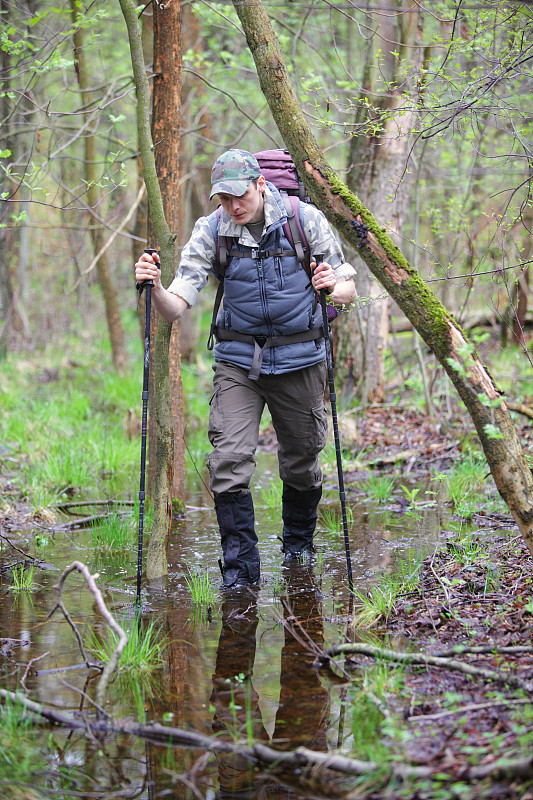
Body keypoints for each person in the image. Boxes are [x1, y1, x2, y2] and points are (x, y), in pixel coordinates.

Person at [135, 149, 356, 590]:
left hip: (301, 358)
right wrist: (154, 286)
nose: (233, 206)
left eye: (239, 195)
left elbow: (349, 288)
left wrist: (333, 286)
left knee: (302, 461)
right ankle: (240, 573)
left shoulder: (303, 219)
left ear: (259, 184)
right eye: (223, 198)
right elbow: (176, 306)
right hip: (239, 362)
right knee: (229, 460)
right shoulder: (212, 230)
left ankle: (298, 550)